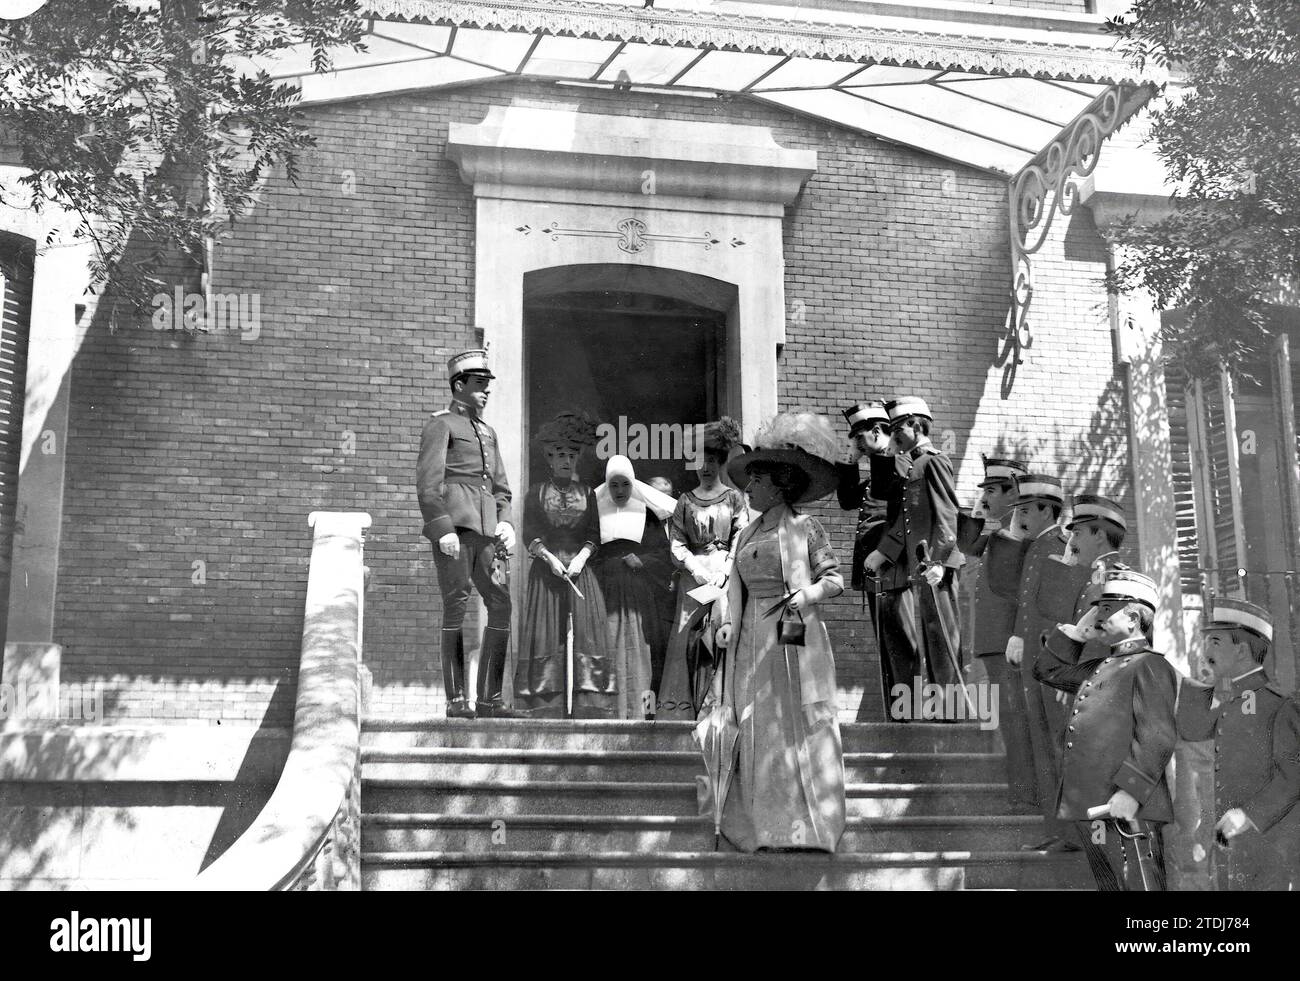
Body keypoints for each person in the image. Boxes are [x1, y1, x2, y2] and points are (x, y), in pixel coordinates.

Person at [715, 411, 846, 852]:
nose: (747, 489)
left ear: (779, 483)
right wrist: (728, 623)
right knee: (755, 726)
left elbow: (835, 579)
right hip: (751, 639)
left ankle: (803, 826)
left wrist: (806, 595)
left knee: (791, 723)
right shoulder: (746, 533)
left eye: (756, 481)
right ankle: (761, 826)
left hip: (793, 637)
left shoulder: (805, 528)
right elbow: (733, 586)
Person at [1034, 570, 1177, 890]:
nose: (1098, 615)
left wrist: (1131, 791)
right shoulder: (1101, 667)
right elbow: (1047, 670)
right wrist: (1075, 634)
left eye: (1106, 609)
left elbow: (1158, 735)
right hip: (1093, 802)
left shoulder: (1150, 665)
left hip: (1128, 805)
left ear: (1132, 618)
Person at [416, 348, 516, 719]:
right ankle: (456, 700)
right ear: (459, 385)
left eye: (488, 386)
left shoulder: (488, 432)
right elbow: (428, 484)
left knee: (501, 604)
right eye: (479, 385)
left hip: (487, 533)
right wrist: (441, 527)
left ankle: (489, 699)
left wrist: (505, 520)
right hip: (455, 532)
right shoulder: (441, 424)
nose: (486, 392)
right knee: (456, 604)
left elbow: (500, 487)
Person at [1175, 598, 1300, 890]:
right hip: (1226, 850)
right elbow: (1191, 730)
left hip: (1266, 852)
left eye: (1215, 643)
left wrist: (1249, 814)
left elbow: (1294, 775)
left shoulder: (1277, 707)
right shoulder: (1223, 700)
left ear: (1242, 650)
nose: (1206, 653)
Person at [513, 411, 617, 719]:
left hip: (579, 572)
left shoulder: (587, 493)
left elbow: (594, 534)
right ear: (549, 458)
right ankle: (546, 707)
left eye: (571, 455)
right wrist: (550, 559)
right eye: (559, 455)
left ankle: (588, 706)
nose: (565, 461)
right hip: (547, 572)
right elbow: (529, 534)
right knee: (546, 633)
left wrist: (582, 558)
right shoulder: (536, 493)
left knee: (586, 633)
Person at [863, 397, 963, 716]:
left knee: (943, 639)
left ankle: (952, 715)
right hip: (921, 568)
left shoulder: (934, 461)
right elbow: (904, 523)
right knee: (932, 637)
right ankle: (940, 715)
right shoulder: (913, 465)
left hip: (936, 568)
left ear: (916, 426)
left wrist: (939, 562)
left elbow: (948, 518)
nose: (894, 436)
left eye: (898, 429)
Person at [955, 456, 1035, 810]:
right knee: (1006, 718)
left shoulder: (1020, 533)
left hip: (1010, 643)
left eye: (991, 491)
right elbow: (967, 546)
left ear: (1012, 494)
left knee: (1017, 721)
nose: (985, 496)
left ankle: (1024, 796)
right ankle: (1019, 792)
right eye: (983, 490)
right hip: (993, 642)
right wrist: (977, 508)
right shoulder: (999, 529)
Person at [1003, 474, 1078, 849]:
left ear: (1050, 511)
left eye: (1027, 509)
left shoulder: (1063, 546)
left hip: (1052, 666)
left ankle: (1071, 832)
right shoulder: (1036, 546)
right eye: (1018, 509)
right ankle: (1056, 831)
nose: (1021, 516)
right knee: (1041, 746)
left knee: (1057, 746)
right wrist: (1018, 635)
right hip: (1033, 664)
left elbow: (1063, 614)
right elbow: (1027, 601)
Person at [658, 418, 748, 721]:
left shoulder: (734, 498)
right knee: (686, 636)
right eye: (700, 460)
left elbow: (741, 536)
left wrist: (725, 568)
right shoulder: (685, 500)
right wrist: (696, 569)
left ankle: (718, 708)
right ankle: (680, 710)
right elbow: (677, 543)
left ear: (720, 462)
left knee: (721, 633)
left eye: (711, 460)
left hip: (724, 574)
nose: (706, 467)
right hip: (693, 579)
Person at [594, 455, 676, 720]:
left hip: (640, 593)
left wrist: (643, 561)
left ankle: (645, 716)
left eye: (625, 485)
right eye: (614, 485)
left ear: (633, 484)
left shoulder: (647, 514)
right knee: (609, 648)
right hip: (607, 592)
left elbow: (664, 553)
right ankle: (612, 715)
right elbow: (590, 550)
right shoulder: (597, 512)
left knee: (644, 652)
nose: (619, 491)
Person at [835, 401, 902, 714]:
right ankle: (896, 714)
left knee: (900, 646)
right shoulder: (877, 471)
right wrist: (851, 459)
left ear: (878, 431)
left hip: (894, 570)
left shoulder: (897, 463)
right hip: (877, 574)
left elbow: (891, 497)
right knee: (887, 646)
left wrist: (875, 455)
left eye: (859, 437)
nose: (856, 444)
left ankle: (905, 716)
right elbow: (848, 500)